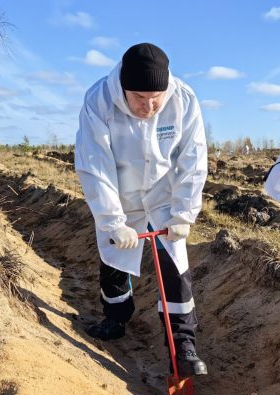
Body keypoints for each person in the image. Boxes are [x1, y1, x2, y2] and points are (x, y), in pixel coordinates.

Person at [75, 43, 208, 376]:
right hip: (119, 196)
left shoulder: (184, 100)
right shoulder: (98, 102)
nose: (148, 106)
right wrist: (112, 221)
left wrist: (184, 213)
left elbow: (193, 160)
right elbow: (94, 165)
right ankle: (116, 317)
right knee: (114, 259)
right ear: (123, 87)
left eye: (156, 98)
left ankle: (183, 344)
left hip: (164, 197)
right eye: (139, 98)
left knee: (175, 268)